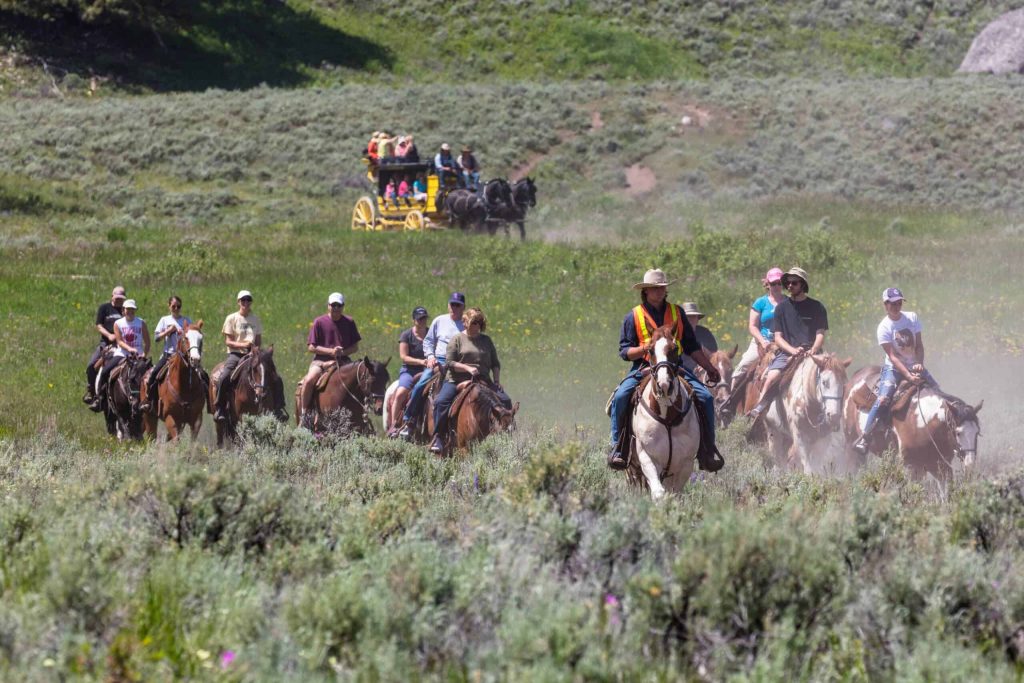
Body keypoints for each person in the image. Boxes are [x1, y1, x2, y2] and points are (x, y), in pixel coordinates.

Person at [608, 269, 722, 470]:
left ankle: (707, 449)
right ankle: (619, 447)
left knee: (706, 397)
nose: (659, 292)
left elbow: (691, 346)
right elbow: (624, 351)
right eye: (655, 288)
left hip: (674, 367)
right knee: (621, 397)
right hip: (644, 367)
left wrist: (709, 367)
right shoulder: (633, 316)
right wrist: (646, 348)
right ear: (646, 291)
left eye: (662, 288)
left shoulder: (677, 313)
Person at [853, 287, 941, 455]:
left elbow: (919, 346)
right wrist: (908, 375)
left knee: (937, 391)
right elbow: (893, 356)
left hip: (914, 365)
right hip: (894, 368)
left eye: (899, 302)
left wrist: (918, 364)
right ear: (885, 304)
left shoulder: (912, 317)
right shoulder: (884, 327)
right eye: (893, 303)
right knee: (884, 398)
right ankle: (865, 436)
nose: (896, 306)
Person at [747, 267, 829, 419]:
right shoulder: (781, 308)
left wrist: (814, 349)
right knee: (771, 377)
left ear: (803, 284)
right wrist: (792, 350)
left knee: (833, 375)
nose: (789, 286)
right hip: (787, 352)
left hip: (813, 352)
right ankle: (760, 410)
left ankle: (837, 413)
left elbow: (820, 332)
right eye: (788, 283)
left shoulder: (817, 307)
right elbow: (778, 337)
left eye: (794, 283)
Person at [430, 307, 511, 453]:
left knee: (505, 400)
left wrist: (497, 380)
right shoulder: (457, 339)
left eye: (479, 323)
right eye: (474, 323)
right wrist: (467, 369)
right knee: (441, 402)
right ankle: (439, 437)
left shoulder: (486, 340)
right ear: (465, 322)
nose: (476, 326)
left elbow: (495, 363)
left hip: (483, 380)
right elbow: (449, 363)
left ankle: (508, 433)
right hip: (456, 379)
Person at [397, 292, 467, 439]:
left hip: (460, 363)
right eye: (452, 304)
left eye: (457, 305)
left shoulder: (467, 323)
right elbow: (428, 341)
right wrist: (430, 357)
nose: (454, 307)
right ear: (448, 305)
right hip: (439, 361)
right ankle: (409, 420)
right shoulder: (439, 320)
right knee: (420, 385)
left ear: (463, 307)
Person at [299, 292, 362, 429]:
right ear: (328, 306)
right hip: (321, 361)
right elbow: (311, 347)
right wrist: (331, 352)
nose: (336, 308)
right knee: (309, 380)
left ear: (343, 306)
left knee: (359, 381)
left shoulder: (349, 322)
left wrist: (342, 353)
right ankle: (304, 415)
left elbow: (355, 347)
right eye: (333, 305)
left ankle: (362, 415)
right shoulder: (319, 322)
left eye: (339, 305)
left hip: (343, 361)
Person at [213, 290, 263, 422]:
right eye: (243, 300)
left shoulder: (255, 319)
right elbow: (228, 341)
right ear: (238, 302)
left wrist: (255, 349)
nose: (246, 302)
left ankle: (276, 407)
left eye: (248, 300)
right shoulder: (232, 318)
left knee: (272, 375)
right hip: (236, 354)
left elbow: (258, 340)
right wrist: (242, 345)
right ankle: (220, 407)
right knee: (224, 376)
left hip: (252, 354)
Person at [732, 267, 784, 392]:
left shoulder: (788, 302)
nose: (776, 286)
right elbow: (753, 326)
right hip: (761, 341)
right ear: (767, 284)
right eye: (773, 283)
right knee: (743, 365)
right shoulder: (760, 302)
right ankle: (729, 400)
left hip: (782, 343)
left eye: (779, 283)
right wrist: (762, 341)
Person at [140, 295, 192, 412]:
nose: (176, 308)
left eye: (178, 306)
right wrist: (168, 331)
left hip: (184, 356)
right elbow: (156, 338)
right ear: (169, 306)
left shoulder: (187, 320)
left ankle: (205, 401)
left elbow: (192, 336)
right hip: (169, 354)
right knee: (154, 374)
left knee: (201, 374)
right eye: (173, 306)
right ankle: (149, 400)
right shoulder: (164, 320)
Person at [96, 299, 150, 404]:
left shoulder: (141, 323)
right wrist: (129, 349)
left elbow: (147, 342)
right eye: (128, 309)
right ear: (123, 311)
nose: (130, 312)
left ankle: (151, 400)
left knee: (151, 375)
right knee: (105, 372)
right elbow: (119, 341)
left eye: (132, 309)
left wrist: (144, 355)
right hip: (122, 354)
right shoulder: (118, 323)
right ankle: (100, 398)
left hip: (138, 355)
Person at [388, 306, 430, 436]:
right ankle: (394, 424)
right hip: (410, 370)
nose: (422, 321)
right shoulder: (406, 335)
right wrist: (421, 362)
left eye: (424, 318)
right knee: (401, 393)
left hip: (428, 370)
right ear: (414, 320)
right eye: (419, 319)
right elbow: (404, 357)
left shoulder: (431, 333)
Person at [84, 285, 126, 408]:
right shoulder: (104, 308)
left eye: (121, 298)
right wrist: (109, 335)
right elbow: (99, 325)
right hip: (106, 343)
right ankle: (93, 392)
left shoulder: (126, 310)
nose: (119, 300)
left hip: (121, 344)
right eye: (117, 297)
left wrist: (119, 338)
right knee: (91, 366)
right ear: (112, 296)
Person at [679, 301, 718, 373]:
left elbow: (714, 355)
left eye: (693, 316)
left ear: (697, 319)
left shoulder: (705, 333)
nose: (691, 319)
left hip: (703, 371)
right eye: (688, 317)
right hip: (681, 372)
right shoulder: (676, 335)